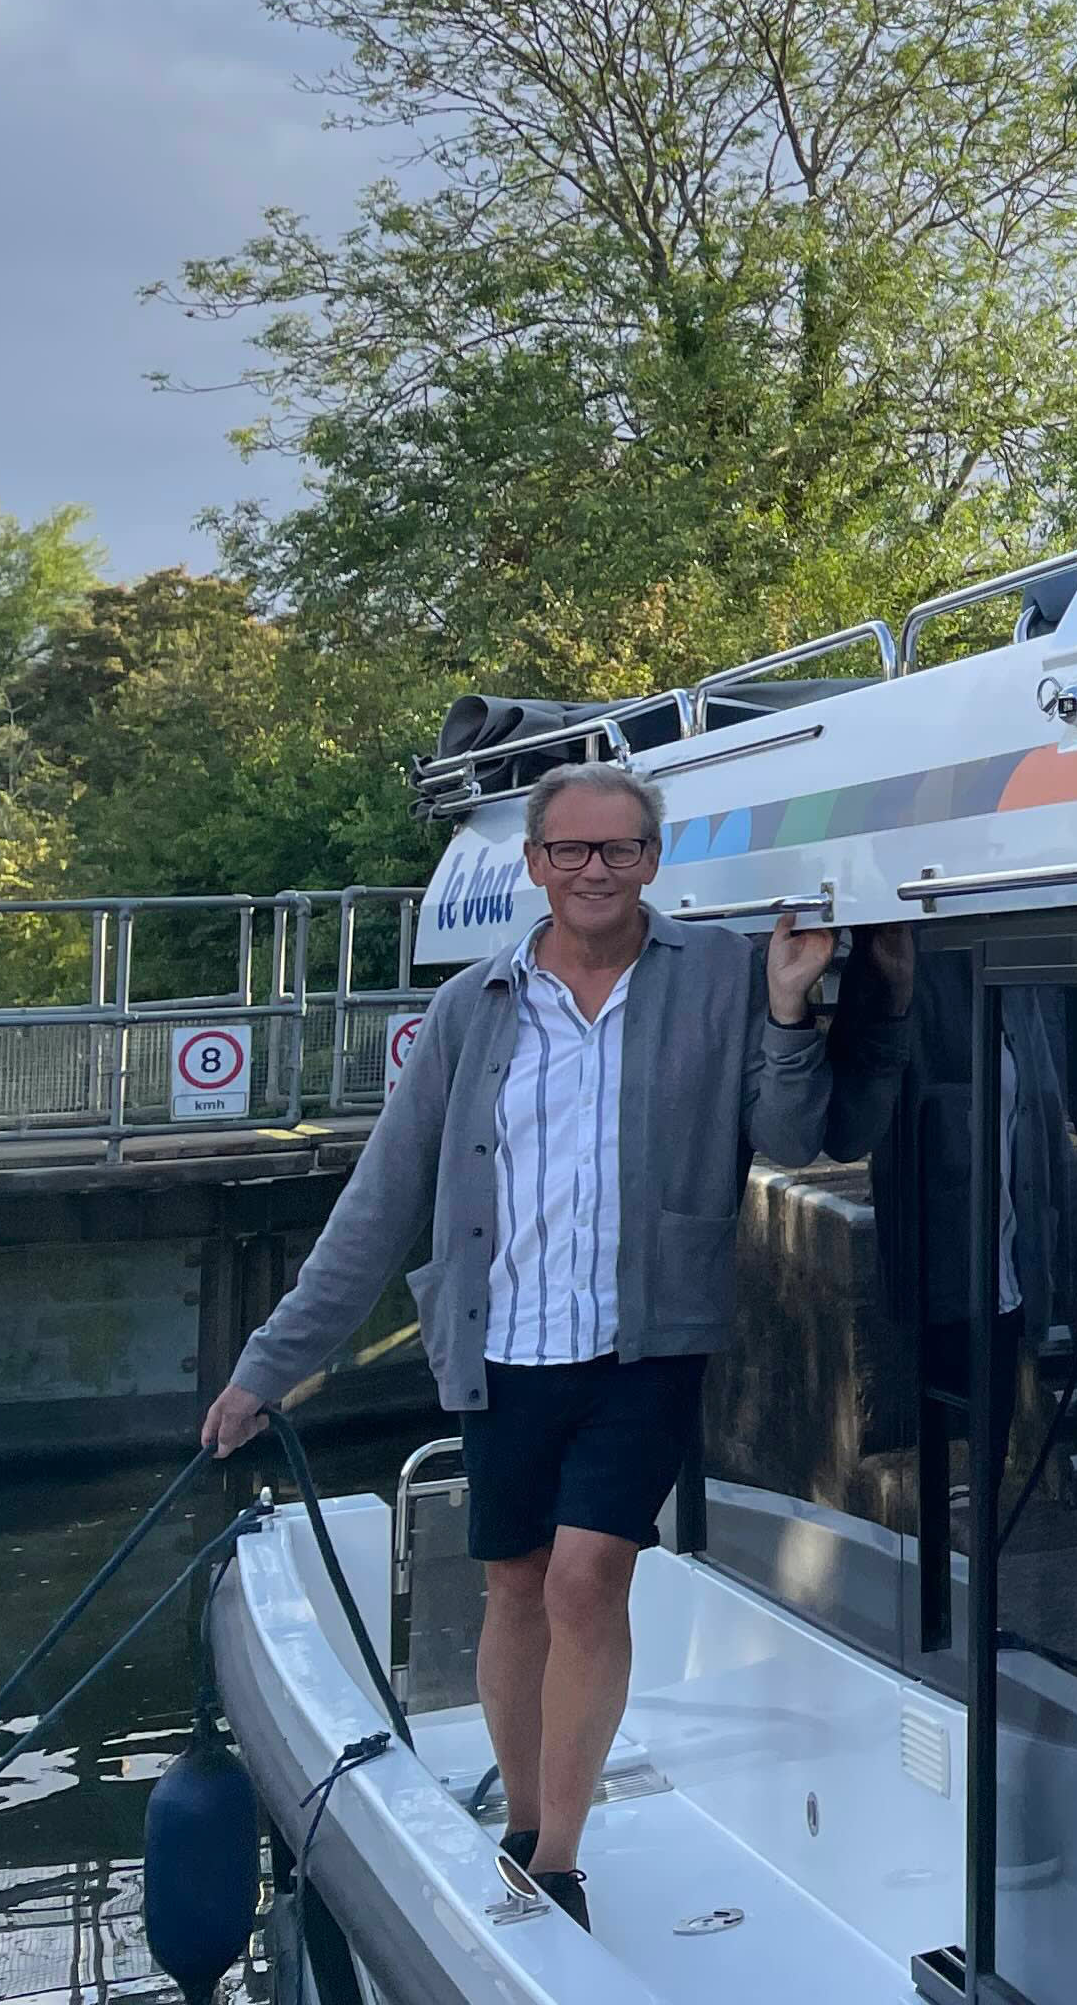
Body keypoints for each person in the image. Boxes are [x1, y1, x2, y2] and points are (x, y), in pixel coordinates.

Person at [200, 763, 834, 1933]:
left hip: (646, 1346)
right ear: (536, 864)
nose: (596, 870)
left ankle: (561, 1859)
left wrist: (791, 1011)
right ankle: (526, 1819)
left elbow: (792, 1138)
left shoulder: (721, 975)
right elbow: (381, 1200)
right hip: (503, 1347)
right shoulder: (473, 1008)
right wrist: (266, 1366)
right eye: (572, 850)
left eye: (621, 849)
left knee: (590, 1576)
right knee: (515, 1583)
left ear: (653, 860)